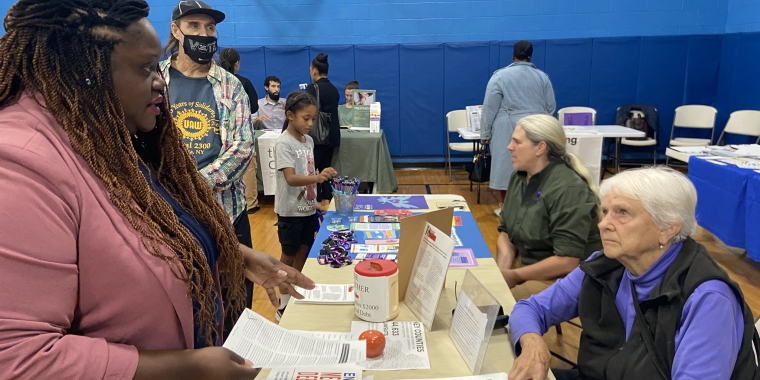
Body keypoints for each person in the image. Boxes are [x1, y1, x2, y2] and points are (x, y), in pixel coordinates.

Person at [0, 1, 315, 379]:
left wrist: (230, 254)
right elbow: (19, 358)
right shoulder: (19, 165)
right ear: (85, 67)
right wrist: (188, 368)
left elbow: (136, 240)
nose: (158, 82)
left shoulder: (105, 133)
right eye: (146, 68)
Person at [508, 166, 760, 380]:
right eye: (606, 212)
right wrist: (532, 344)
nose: (603, 224)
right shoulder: (605, 265)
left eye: (622, 213)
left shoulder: (708, 297)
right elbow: (530, 309)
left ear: (667, 228)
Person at [159, 0, 256, 330]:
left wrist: (198, 183)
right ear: (176, 31)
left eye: (210, 28)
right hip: (167, 216)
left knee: (235, 308)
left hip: (226, 214)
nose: (204, 34)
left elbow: (242, 149)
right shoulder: (154, 79)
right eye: (195, 26)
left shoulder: (231, 85)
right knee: (184, 310)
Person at [496, 115, 601, 300]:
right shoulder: (518, 177)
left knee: (501, 306)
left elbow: (567, 261)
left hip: (566, 276)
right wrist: (500, 273)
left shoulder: (569, 189)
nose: (509, 147)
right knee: (481, 290)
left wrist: (515, 276)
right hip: (528, 264)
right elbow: (506, 233)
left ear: (540, 147)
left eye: (517, 142)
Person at [274, 92, 338, 321]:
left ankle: (295, 289)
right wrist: (319, 178)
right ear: (290, 115)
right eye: (306, 118)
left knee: (303, 251)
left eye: (313, 119)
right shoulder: (284, 143)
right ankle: (282, 303)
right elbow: (291, 178)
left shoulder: (309, 141)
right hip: (290, 212)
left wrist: (317, 201)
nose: (310, 124)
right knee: (287, 257)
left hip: (307, 210)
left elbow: (309, 173)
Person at [480, 40, 556, 217]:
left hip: (508, 127)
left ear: (513, 55)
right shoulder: (542, 77)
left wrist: (485, 133)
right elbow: (550, 107)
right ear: (531, 55)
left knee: (508, 166)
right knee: (534, 166)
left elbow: (490, 107)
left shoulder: (500, 76)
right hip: (537, 127)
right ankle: (533, 207)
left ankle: (507, 208)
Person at [219, 47, 260, 215]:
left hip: (219, 133)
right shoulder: (243, 82)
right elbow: (254, 106)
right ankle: (251, 204)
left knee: (221, 166)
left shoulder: (214, 81)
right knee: (248, 166)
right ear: (237, 63)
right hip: (240, 132)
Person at [305, 53, 341, 208]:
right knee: (326, 169)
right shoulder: (334, 89)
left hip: (318, 136)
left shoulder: (313, 88)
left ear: (314, 70)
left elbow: (306, 111)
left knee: (313, 170)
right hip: (332, 136)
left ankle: (316, 202)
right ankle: (327, 201)